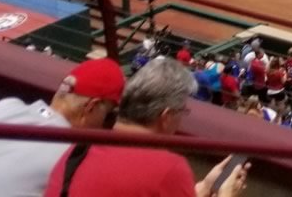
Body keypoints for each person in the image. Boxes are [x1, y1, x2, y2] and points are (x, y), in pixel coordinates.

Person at [48, 57, 249, 197]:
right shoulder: (168, 169)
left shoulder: (76, 151)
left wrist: (204, 188)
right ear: (166, 116)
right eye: (181, 113)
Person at [0, 56, 124, 197]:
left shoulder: (7, 106)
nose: (108, 125)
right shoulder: (73, 156)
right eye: (108, 116)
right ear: (91, 107)